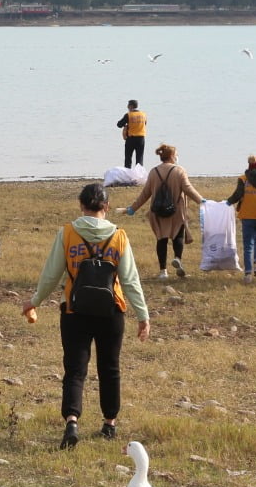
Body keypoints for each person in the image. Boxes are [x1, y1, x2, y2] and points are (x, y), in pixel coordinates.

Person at [22, 182, 150, 449]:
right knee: (110, 368)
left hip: (74, 310)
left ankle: (71, 421)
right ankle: (109, 423)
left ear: (81, 205)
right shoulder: (119, 236)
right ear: (105, 206)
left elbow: (51, 274)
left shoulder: (67, 233)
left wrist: (34, 301)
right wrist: (142, 315)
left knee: (75, 369)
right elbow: (129, 280)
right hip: (111, 311)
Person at [124, 143, 204, 281]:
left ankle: (163, 272)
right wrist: (203, 202)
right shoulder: (179, 171)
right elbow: (188, 189)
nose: (177, 156)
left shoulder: (154, 172)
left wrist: (133, 208)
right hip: (176, 212)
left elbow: (145, 193)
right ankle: (178, 259)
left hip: (157, 211)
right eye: (176, 154)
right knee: (178, 236)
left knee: (161, 239)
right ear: (172, 156)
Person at [224, 154, 256, 283]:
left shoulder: (243, 179)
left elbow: (237, 195)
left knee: (248, 245)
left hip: (247, 215)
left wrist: (226, 203)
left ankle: (247, 274)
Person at [116, 100, 147, 169]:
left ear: (131, 106)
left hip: (131, 138)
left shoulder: (129, 115)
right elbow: (145, 124)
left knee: (128, 158)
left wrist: (125, 125)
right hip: (141, 138)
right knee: (139, 158)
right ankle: (139, 175)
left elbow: (119, 125)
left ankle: (127, 174)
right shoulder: (143, 114)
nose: (127, 106)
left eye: (128, 105)